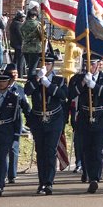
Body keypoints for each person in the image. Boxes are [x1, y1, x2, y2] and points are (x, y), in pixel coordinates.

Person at [68, 54, 103, 193]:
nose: (89, 67)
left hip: (101, 117)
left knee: (99, 150)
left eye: (92, 64)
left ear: (99, 64)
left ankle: (95, 177)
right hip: (84, 116)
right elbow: (71, 94)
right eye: (87, 64)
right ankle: (89, 175)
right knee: (86, 149)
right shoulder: (77, 79)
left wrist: (95, 86)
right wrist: (83, 84)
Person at [0, 71, 30, 197]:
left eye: (4, 81)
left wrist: (16, 135)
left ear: (8, 82)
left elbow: (17, 118)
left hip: (7, 132)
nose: (1, 83)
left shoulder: (14, 98)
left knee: (2, 158)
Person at [24, 55, 68, 195]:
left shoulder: (59, 80)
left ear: (52, 66)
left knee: (50, 151)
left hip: (54, 119)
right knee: (40, 151)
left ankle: (48, 182)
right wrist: (38, 78)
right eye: (43, 64)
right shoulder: (33, 79)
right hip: (38, 120)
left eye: (48, 64)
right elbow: (27, 91)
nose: (46, 66)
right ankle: (41, 181)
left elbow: (62, 95)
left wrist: (47, 84)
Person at [4, 63, 26, 184]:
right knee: (3, 150)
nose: (15, 76)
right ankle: (3, 173)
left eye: (16, 73)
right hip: (3, 122)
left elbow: (25, 105)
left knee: (14, 148)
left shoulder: (20, 89)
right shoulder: (0, 86)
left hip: (16, 122)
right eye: (12, 73)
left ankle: (12, 174)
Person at [21, 10, 43, 78]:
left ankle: (29, 81)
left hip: (25, 48)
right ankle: (31, 83)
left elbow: (22, 34)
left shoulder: (24, 24)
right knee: (32, 68)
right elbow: (43, 36)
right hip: (35, 48)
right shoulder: (38, 24)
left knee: (29, 66)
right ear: (36, 16)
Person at [8, 11, 26, 78]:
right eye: (23, 17)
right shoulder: (18, 24)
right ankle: (20, 76)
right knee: (20, 61)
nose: (24, 19)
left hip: (15, 44)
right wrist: (24, 43)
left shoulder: (13, 23)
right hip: (19, 45)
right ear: (20, 18)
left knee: (15, 61)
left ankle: (14, 73)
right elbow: (20, 36)